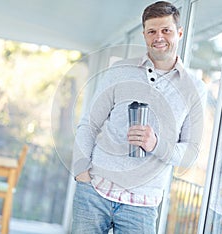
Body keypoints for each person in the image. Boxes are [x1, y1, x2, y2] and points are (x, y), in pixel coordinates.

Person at [71, 1, 207, 233]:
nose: (159, 37)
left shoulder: (195, 88)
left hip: (143, 205)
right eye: (152, 31)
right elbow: (89, 123)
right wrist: (81, 172)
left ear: (180, 33)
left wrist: (156, 144)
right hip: (95, 192)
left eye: (166, 30)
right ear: (144, 35)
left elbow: (190, 153)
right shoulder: (120, 71)